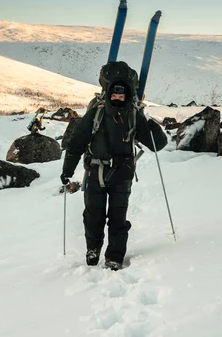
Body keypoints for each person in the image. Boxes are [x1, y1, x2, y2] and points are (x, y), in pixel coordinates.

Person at [60, 63, 167, 271]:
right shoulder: (97, 113)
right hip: (96, 172)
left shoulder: (134, 115)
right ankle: (93, 249)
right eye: (115, 95)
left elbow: (157, 145)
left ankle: (115, 257)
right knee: (93, 215)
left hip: (123, 173)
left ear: (127, 95)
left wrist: (152, 125)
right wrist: (67, 170)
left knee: (118, 218)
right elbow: (76, 143)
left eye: (122, 95)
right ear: (109, 93)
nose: (118, 98)